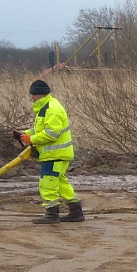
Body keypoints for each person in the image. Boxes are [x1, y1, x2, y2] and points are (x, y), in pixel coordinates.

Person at [19, 79, 82, 224]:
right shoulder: (45, 107)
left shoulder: (52, 109)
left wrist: (32, 139)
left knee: (48, 183)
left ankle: (52, 214)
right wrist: (25, 134)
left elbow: (52, 133)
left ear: (39, 94)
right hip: (55, 154)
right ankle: (76, 211)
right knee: (59, 183)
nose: (31, 98)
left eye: (33, 95)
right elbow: (40, 130)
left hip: (55, 155)